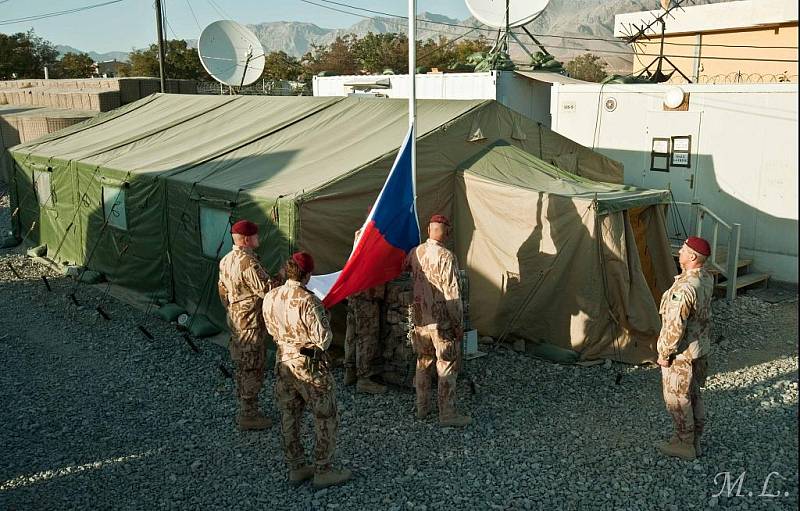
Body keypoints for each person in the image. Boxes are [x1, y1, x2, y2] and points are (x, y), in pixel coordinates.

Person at [262, 252, 351, 488]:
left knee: (290, 415)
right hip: (308, 366)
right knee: (325, 415)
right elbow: (323, 340)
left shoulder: (271, 296)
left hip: (283, 363)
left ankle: (296, 467)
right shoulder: (309, 301)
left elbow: (271, 330)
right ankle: (323, 469)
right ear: (308, 275)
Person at [404, 214, 470, 428]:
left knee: (423, 362)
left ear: (429, 229)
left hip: (420, 319)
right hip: (441, 323)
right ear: (447, 232)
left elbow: (405, 268)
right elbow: (453, 295)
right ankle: (447, 414)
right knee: (446, 366)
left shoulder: (416, 252)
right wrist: (458, 324)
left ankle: (422, 408)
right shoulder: (447, 256)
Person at [655, 236, 714, 460]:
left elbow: (674, 326)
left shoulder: (685, 288)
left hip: (682, 354)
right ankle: (694, 439)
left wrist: (664, 354)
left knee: (678, 400)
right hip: (700, 349)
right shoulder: (706, 278)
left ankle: (684, 444)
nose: (679, 251)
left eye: (683, 249)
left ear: (691, 257)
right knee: (694, 395)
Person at [218, 219, 278, 431]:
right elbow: (268, 290)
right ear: (246, 239)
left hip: (236, 321)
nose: (258, 238)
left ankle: (246, 408)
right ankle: (249, 415)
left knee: (243, 365)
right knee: (253, 367)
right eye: (255, 235)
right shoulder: (248, 263)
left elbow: (223, 293)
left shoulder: (226, 260)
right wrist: (283, 279)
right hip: (250, 325)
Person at [344, 225, 387, 394]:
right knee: (366, 336)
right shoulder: (374, 239)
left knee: (352, 333)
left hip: (353, 292)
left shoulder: (359, 235)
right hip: (367, 295)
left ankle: (350, 371)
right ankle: (364, 378)